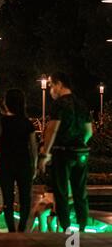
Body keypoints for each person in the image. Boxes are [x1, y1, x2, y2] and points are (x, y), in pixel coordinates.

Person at [38, 71, 93, 232]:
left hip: (63, 152)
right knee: (80, 191)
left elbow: (52, 129)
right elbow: (89, 131)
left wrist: (45, 153)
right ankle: (83, 226)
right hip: (81, 152)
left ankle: (66, 227)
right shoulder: (81, 103)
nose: (50, 90)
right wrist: (80, 143)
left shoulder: (59, 104)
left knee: (61, 191)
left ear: (59, 84)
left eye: (51, 85)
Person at [0, 89, 37, 232]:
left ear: (6, 103)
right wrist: (35, 165)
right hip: (24, 164)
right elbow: (33, 147)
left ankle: (11, 230)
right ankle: (21, 229)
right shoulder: (27, 123)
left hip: (6, 164)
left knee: (7, 200)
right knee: (25, 199)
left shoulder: (1, 122)